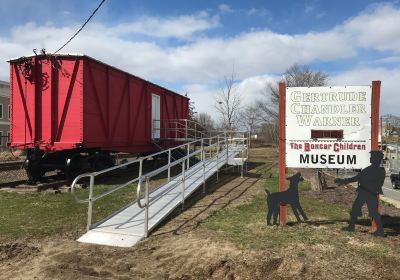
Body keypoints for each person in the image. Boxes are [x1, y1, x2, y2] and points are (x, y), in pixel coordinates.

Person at [334, 150, 385, 237]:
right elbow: (358, 178)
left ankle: (379, 231)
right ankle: (351, 227)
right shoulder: (375, 169)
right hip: (366, 193)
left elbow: (357, 178)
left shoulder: (374, 170)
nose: (370, 158)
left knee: (372, 213)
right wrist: (343, 181)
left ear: (376, 159)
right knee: (357, 209)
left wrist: (343, 181)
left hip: (368, 193)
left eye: (372, 157)